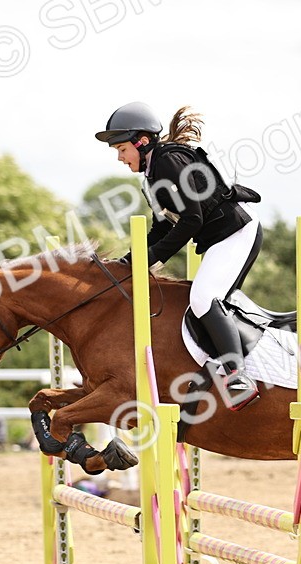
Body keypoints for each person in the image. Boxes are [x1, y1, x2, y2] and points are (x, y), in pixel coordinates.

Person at [96, 102, 263, 410]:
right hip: (218, 240)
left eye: (121, 149)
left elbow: (192, 220)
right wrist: (129, 262)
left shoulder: (169, 161)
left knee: (203, 298)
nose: (119, 158)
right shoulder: (152, 174)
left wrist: (152, 259)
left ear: (142, 142)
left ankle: (237, 375)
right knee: (199, 297)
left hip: (236, 233)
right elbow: (162, 227)